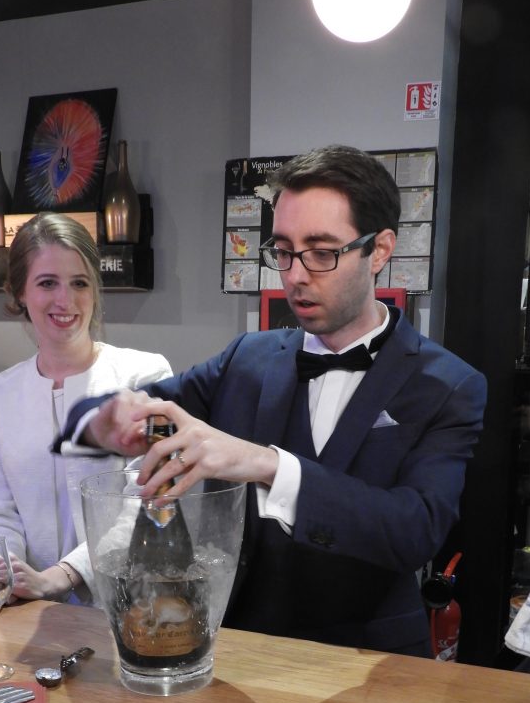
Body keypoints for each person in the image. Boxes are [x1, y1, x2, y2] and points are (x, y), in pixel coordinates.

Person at [57, 146, 487, 655]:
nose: (296, 275)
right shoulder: (247, 358)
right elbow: (124, 414)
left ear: (381, 250)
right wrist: (110, 419)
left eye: (322, 252)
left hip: (373, 659)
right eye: (283, 251)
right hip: (241, 649)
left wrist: (266, 465)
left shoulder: (448, 383)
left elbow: (414, 531)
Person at [0, 212, 171, 605]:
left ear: (95, 290)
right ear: (19, 293)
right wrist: (1, 569)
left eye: (79, 283)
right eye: (47, 283)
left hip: (133, 605)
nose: (65, 300)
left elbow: (152, 500)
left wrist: (62, 575)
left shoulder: (148, 375)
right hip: (30, 608)